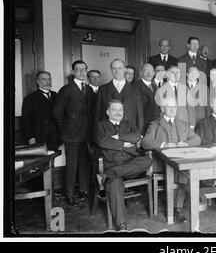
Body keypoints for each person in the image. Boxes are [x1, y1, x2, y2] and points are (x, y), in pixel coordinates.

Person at [95, 99, 152, 231]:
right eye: (114, 109)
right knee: (114, 183)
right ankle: (122, 225)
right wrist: (124, 145)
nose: (118, 112)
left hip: (131, 164)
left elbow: (137, 137)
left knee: (147, 160)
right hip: (112, 163)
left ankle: (108, 175)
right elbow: (102, 141)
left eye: (120, 110)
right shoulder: (101, 126)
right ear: (107, 112)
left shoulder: (128, 124)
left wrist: (117, 136)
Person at [142, 97, 201, 222]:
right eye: (169, 106)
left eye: (174, 107)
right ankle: (175, 208)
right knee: (181, 171)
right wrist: (163, 145)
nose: (172, 109)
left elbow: (197, 139)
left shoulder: (183, 124)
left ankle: (177, 208)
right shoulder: (154, 124)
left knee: (184, 171)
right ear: (162, 109)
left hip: (180, 161)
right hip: (161, 162)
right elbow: (145, 142)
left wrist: (184, 144)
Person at [53, 60, 95, 206]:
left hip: (86, 134)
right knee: (71, 165)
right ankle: (69, 194)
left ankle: (84, 191)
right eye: (78, 70)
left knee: (85, 164)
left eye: (84, 69)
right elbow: (57, 113)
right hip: (71, 135)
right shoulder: (66, 89)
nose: (82, 72)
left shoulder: (88, 90)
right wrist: (65, 129)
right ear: (73, 72)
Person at [95, 59, 144, 134]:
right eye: (114, 68)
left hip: (130, 133)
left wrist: (139, 134)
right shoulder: (103, 89)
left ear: (124, 69)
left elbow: (140, 115)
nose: (117, 71)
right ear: (111, 70)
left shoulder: (135, 90)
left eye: (120, 68)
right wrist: (98, 133)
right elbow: (98, 114)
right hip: (108, 134)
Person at [21, 71, 60, 151]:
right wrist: (30, 136)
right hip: (38, 136)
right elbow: (25, 119)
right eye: (44, 79)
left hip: (54, 137)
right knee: (41, 161)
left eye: (49, 79)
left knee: (52, 159)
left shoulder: (56, 96)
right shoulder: (30, 98)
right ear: (37, 81)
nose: (47, 82)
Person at [137, 64, 161, 134]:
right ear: (141, 73)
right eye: (146, 71)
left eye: (151, 71)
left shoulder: (154, 86)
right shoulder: (136, 87)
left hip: (155, 125)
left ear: (154, 73)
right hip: (143, 127)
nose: (149, 73)